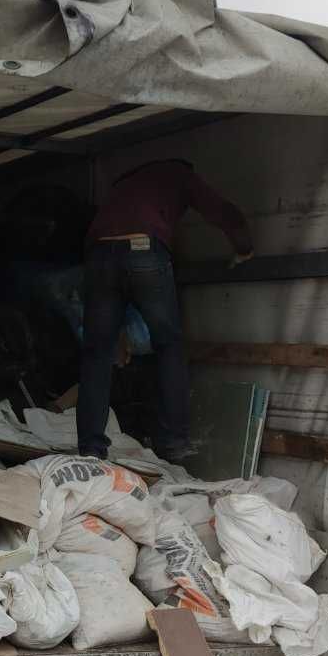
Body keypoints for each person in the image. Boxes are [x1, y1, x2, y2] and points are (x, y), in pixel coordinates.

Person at [77, 160, 253, 462]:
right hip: (143, 249)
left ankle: (91, 448)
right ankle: (174, 441)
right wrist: (244, 247)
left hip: (98, 254)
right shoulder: (180, 176)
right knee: (169, 344)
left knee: (97, 354)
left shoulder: (125, 184)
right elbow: (222, 211)